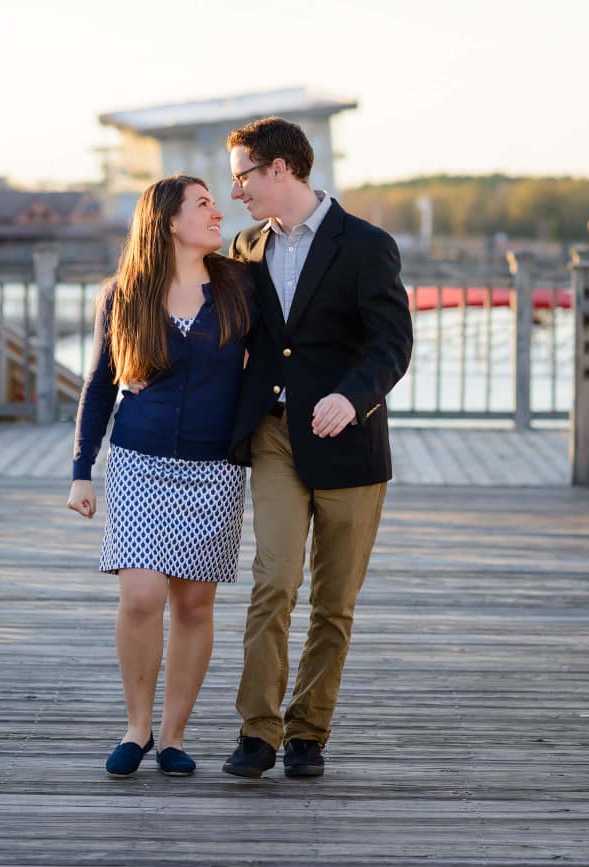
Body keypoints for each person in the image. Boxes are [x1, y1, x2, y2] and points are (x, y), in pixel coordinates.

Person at [217, 116, 413, 779]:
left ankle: (308, 732)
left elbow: (392, 344)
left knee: (334, 602)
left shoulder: (365, 244)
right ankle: (257, 733)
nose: (237, 190)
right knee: (273, 581)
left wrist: (353, 397)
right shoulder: (244, 247)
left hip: (349, 444)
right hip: (273, 436)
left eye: (243, 175)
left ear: (281, 170)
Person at [67, 175, 253, 778]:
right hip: (141, 460)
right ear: (170, 221)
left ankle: (173, 737)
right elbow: (99, 388)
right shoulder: (125, 294)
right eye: (203, 204)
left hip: (214, 466)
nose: (216, 211)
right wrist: (81, 472)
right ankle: (137, 728)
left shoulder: (239, 287)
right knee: (141, 596)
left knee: (195, 604)